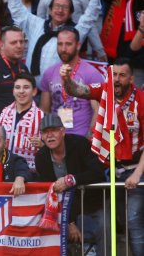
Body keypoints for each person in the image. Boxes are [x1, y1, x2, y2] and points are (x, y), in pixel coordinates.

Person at [61, 57, 144, 255]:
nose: (116, 79)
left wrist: (137, 175)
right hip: (109, 172)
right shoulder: (104, 90)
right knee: (108, 221)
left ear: (131, 79)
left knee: (132, 220)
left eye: (122, 76)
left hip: (135, 171)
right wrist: (66, 80)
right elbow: (78, 90)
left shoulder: (141, 100)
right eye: (114, 74)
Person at [8, 0, 103, 85]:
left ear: (70, 14)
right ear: (50, 10)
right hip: (31, 88)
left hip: (59, 92)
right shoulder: (37, 24)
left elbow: (90, 16)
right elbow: (15, 8)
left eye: (65, 7)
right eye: (57, 6)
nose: (60, 10)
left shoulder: (73, 32)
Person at [35, 113, 107, 254]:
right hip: (63, 209)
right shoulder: (41, 158)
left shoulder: (80, 144)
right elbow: (50, 192)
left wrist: (72, 180)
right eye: (45, 132)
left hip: (92, 203)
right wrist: (69, 222)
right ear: (41, 137)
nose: (49, 135)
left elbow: (98, 172)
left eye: (54, 130)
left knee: (105, 226)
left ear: (62, 131)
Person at [40, 27, 102, 137]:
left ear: (78, 45)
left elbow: (98, 111)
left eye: (68, 44)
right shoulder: (49, 73)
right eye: (60, 44)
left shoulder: (91, 73)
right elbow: (45, 111)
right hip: (56, 138)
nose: (63, 49)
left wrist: (89, 138)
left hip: (81, 137)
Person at [0, 73, 44, 171]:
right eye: (17, 87)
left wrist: (42, 145)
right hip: (4, 168)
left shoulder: (42, 116)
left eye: (26, 87)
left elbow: (51, 149)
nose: (21, 91)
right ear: (13, 91)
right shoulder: (4, 112)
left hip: (30, 171)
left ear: (34, 91)